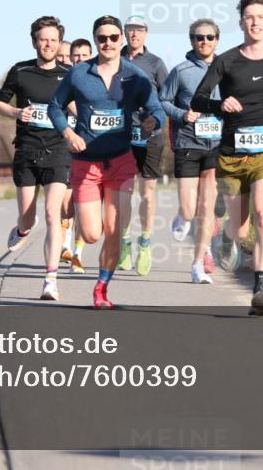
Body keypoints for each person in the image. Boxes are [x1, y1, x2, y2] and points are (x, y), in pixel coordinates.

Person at [49, 16, 165, 309]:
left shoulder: (135, 76)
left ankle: (101, 289)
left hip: (121, 162)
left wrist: (153, 121)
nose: (108, 42)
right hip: (86, 164)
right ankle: (86, 224)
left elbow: (156, 109)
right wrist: (67, 133)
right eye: (102, 38)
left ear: (121, 39)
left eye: (114, 37)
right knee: (91, 234)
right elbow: (55, 106)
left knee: (114, 231)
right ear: (95, 40)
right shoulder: (78, 74)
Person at [191, 0, 263, 316]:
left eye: (260, 17)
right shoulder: (226, 61)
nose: (255, 22)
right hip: (231, 157)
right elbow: (198, 99)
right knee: (240, 230)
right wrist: (219, 104)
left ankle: (260, 288)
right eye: (249, 17)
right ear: (241, 23)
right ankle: (226, 236)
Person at [0, 16, 72, 301]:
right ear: (34, 42)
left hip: (58, 150)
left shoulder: (70, 74)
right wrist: (16, 112)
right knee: (28, 217)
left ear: (59, 43)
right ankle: (23, 229)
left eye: (53, 40)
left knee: (53, 213)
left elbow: (78, 105)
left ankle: (50, 280)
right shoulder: (21, 70)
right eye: (43, 39)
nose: (48, 44)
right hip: (27, 149)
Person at [160, 18, 223, 284]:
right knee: (189, 209)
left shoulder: (227, 69)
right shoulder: (181, 71)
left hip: (217, 144)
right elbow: (163, 100)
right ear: (191, 41)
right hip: (187, 143)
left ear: (217, 40)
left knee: (207, 206)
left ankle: (198, 263)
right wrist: (182, 114)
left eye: (209, 37)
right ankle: (182, 216)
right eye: (199, 37)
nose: (204, 42)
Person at [117, 15, 168, 277]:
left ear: (146, 33)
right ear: (124, 33)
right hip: (122, 134)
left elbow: (166, 99)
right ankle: (125, 242)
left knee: (147, 192)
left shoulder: (156, 64)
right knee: (124, 191)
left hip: (150, 134)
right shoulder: (114, 59)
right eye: (130, 30)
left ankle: (145, 241)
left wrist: (155, 118)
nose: (134, 34)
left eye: (139, 30)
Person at [62, 38, 94, 274]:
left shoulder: (96, 80)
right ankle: (65, 243)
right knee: (66, 204)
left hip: (89, 150)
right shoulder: (63, 81)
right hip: (64, 149)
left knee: (82, 204)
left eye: (84, 55)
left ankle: (78, 255)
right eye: (75, 56)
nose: (79, 59)